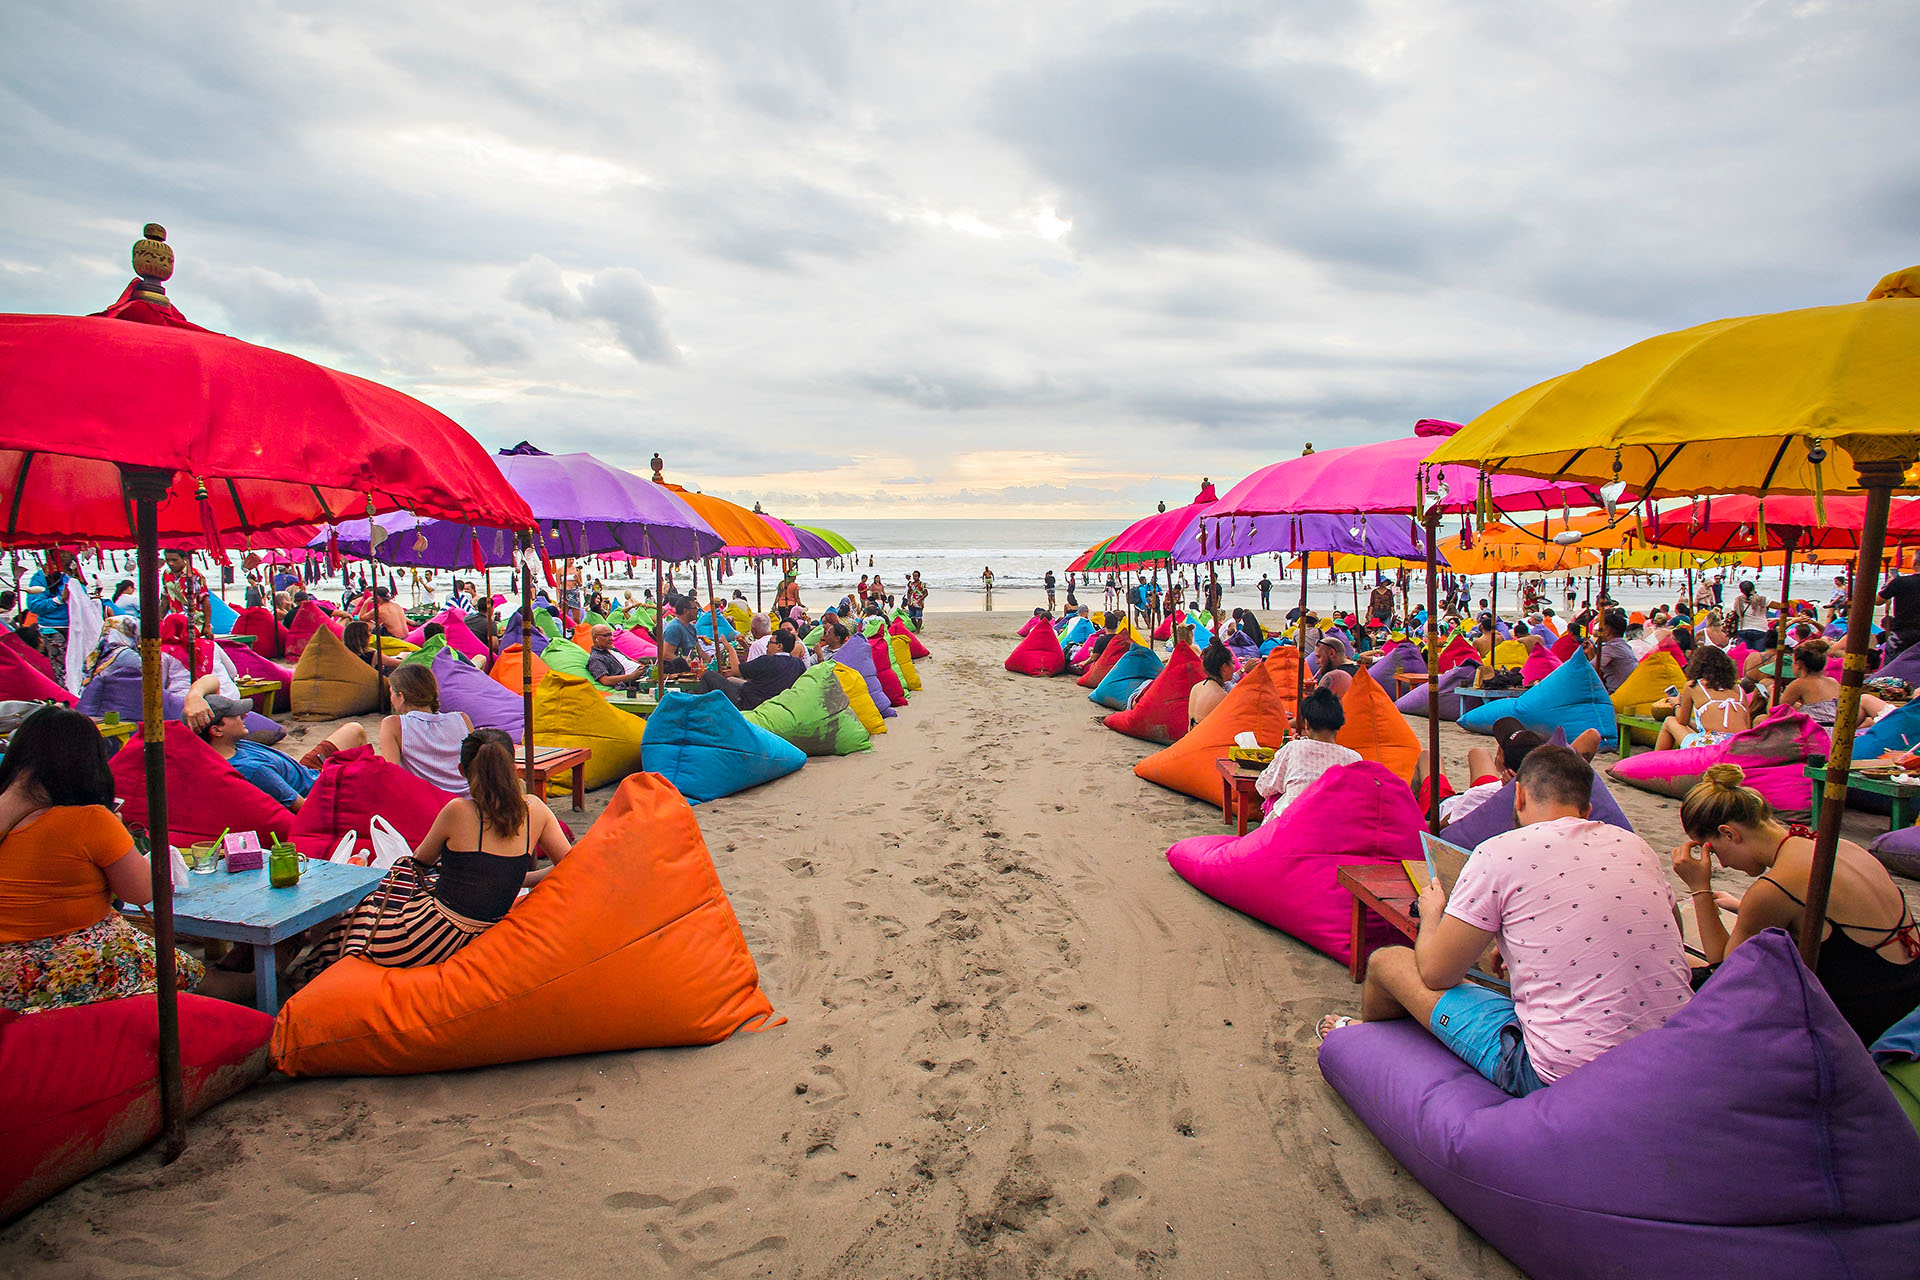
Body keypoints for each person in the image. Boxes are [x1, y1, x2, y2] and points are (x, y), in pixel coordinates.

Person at [1321, 746, 1691, 1096]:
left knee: (1387, 963)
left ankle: (1361, 1049)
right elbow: (1666, 930)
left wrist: (1433, 913)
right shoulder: (1635, 847)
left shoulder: (1501, 853)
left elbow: (1435, 974)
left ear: (1519, 797)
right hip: (1670, 1058)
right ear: (1587, 808)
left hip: (1560, 1071)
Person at [1672, 763, 1920, 1046]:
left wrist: (1700, 888)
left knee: (1697, 979)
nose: (1723, 864)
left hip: (1867, 1025)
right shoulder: (1836, 847)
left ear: (1729, 834)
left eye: (1713, 852)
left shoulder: (1773, 889)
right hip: (1909, 996)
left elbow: (1725, 976)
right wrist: (1742, 907)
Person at [293, 729, 571, 980]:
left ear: (463, 770)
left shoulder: (457, 811)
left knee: (358, 921)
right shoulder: (536, 810)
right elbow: (569, 864)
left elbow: (419, 860)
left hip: (433, 934)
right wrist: (516, 879)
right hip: (490, 928)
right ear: (513, 768)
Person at [0, 706, 206, 1012]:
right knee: (195, 974)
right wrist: (117, 832)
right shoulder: (91, 820)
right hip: (64, 964)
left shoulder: (9, 812)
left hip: (8, 971)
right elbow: (141, 893)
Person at [200, 695, 366, 812]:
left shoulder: (229, 746)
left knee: (354, 730)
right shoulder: (254, 770)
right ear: (216, 730)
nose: (244, 715)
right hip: (317, 789)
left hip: (305, 770)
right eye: (234, 715)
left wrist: (195, 695)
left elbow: (211, 680)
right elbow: (304, 808)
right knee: (367, 779)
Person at [1254, 687, 1358, 818]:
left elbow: (1263, 786)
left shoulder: (1294, 748)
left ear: (1307, 724)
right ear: (1339, 725)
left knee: (1275, 796)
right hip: (1337, 826)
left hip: (1292, 825)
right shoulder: (1354, 758)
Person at [377, 664, 475, 795]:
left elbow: (391, 775)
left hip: (431, 803)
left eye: (391, 694)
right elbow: (476, 766)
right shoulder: (462, 719)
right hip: (468, 799)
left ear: (401, 696)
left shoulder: (394, 725)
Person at [1655, 646, 1750, 751]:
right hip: (1740, 744)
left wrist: (1677, 704)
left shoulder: (1693, 685)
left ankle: (1657, 762)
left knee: (1669, 721)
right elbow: (1746, 726)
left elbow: (1682, 721)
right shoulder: (1740, 691)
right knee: (1699, 731)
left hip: (1712, 746)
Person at [700, 629, 804, 709]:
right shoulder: (798, 664)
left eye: (770, 643)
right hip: (777, 703)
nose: (767, 646)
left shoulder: (767, 661)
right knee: (730, 680)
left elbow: (736, 670)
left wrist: (729, 647)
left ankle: (700, 713)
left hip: (749, 702)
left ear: (779, 646)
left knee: (708, 676)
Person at [1187, 638, 1234, 730]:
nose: (1234, 667)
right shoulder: (1221, 696)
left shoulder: (1196, 687)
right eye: (1232, 663)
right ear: (1224, 667)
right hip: (1203, 742)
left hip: (1189, 739)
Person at [584, 624, 650, 688]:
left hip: (644, 672)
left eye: (611, 635)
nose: (611, 638)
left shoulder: (611, 649)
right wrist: (631, 676)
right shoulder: (596, 658)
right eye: (606, 635)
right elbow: (605, 680)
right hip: (635, 680)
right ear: (596, 638)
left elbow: (628, 659)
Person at [1590, 608, 1638, 693]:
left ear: (1607, 631)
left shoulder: (1610, 648)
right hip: (1631, 689)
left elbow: (1590, 669)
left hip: (1618, 692)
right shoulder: (1625, 646)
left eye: (1602, 627)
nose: (1599, 630)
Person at [1879, 567, 1920, 660]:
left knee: (1892, 667)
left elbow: (1878, 600)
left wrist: (1887, 586)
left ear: (1914, 562)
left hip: (1902, 633)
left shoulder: (1900, 582)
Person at [1730, 580, 1770, 650]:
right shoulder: (1762, 599)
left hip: (1743, 629)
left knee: (1744, 655)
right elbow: (1781, 606)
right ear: (1753, 589)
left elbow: (1733, 612)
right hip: (1760, 629)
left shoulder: (1738, 600)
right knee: (1758, 656)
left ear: (1741, 591)